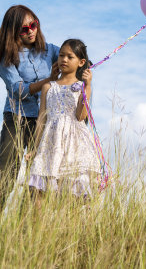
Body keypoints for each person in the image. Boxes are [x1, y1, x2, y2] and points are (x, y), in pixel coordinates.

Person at [0, 5, 60, 218]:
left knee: (36, 181)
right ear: (13, 33)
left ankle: (24, 234)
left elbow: (69, 55)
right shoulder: (6, 57)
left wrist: (83, 63)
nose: (31, 31)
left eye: (33, 25)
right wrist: (49, 81)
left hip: (43, 121)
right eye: (24, 29)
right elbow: (18, 91)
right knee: (7, 177)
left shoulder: (50, 50)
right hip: (16, 119)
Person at [26, 39, 101, 199]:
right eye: (61, 55)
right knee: (39, 189)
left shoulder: (82, 86)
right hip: (51, 140)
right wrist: (34, 147)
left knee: (72, 191)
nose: (64, 60)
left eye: (70, 57)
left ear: (81, 62)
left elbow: (80, 116)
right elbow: (42, 119)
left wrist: (87, 86)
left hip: (74, 142)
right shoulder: (48, 87)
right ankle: (39, 224)